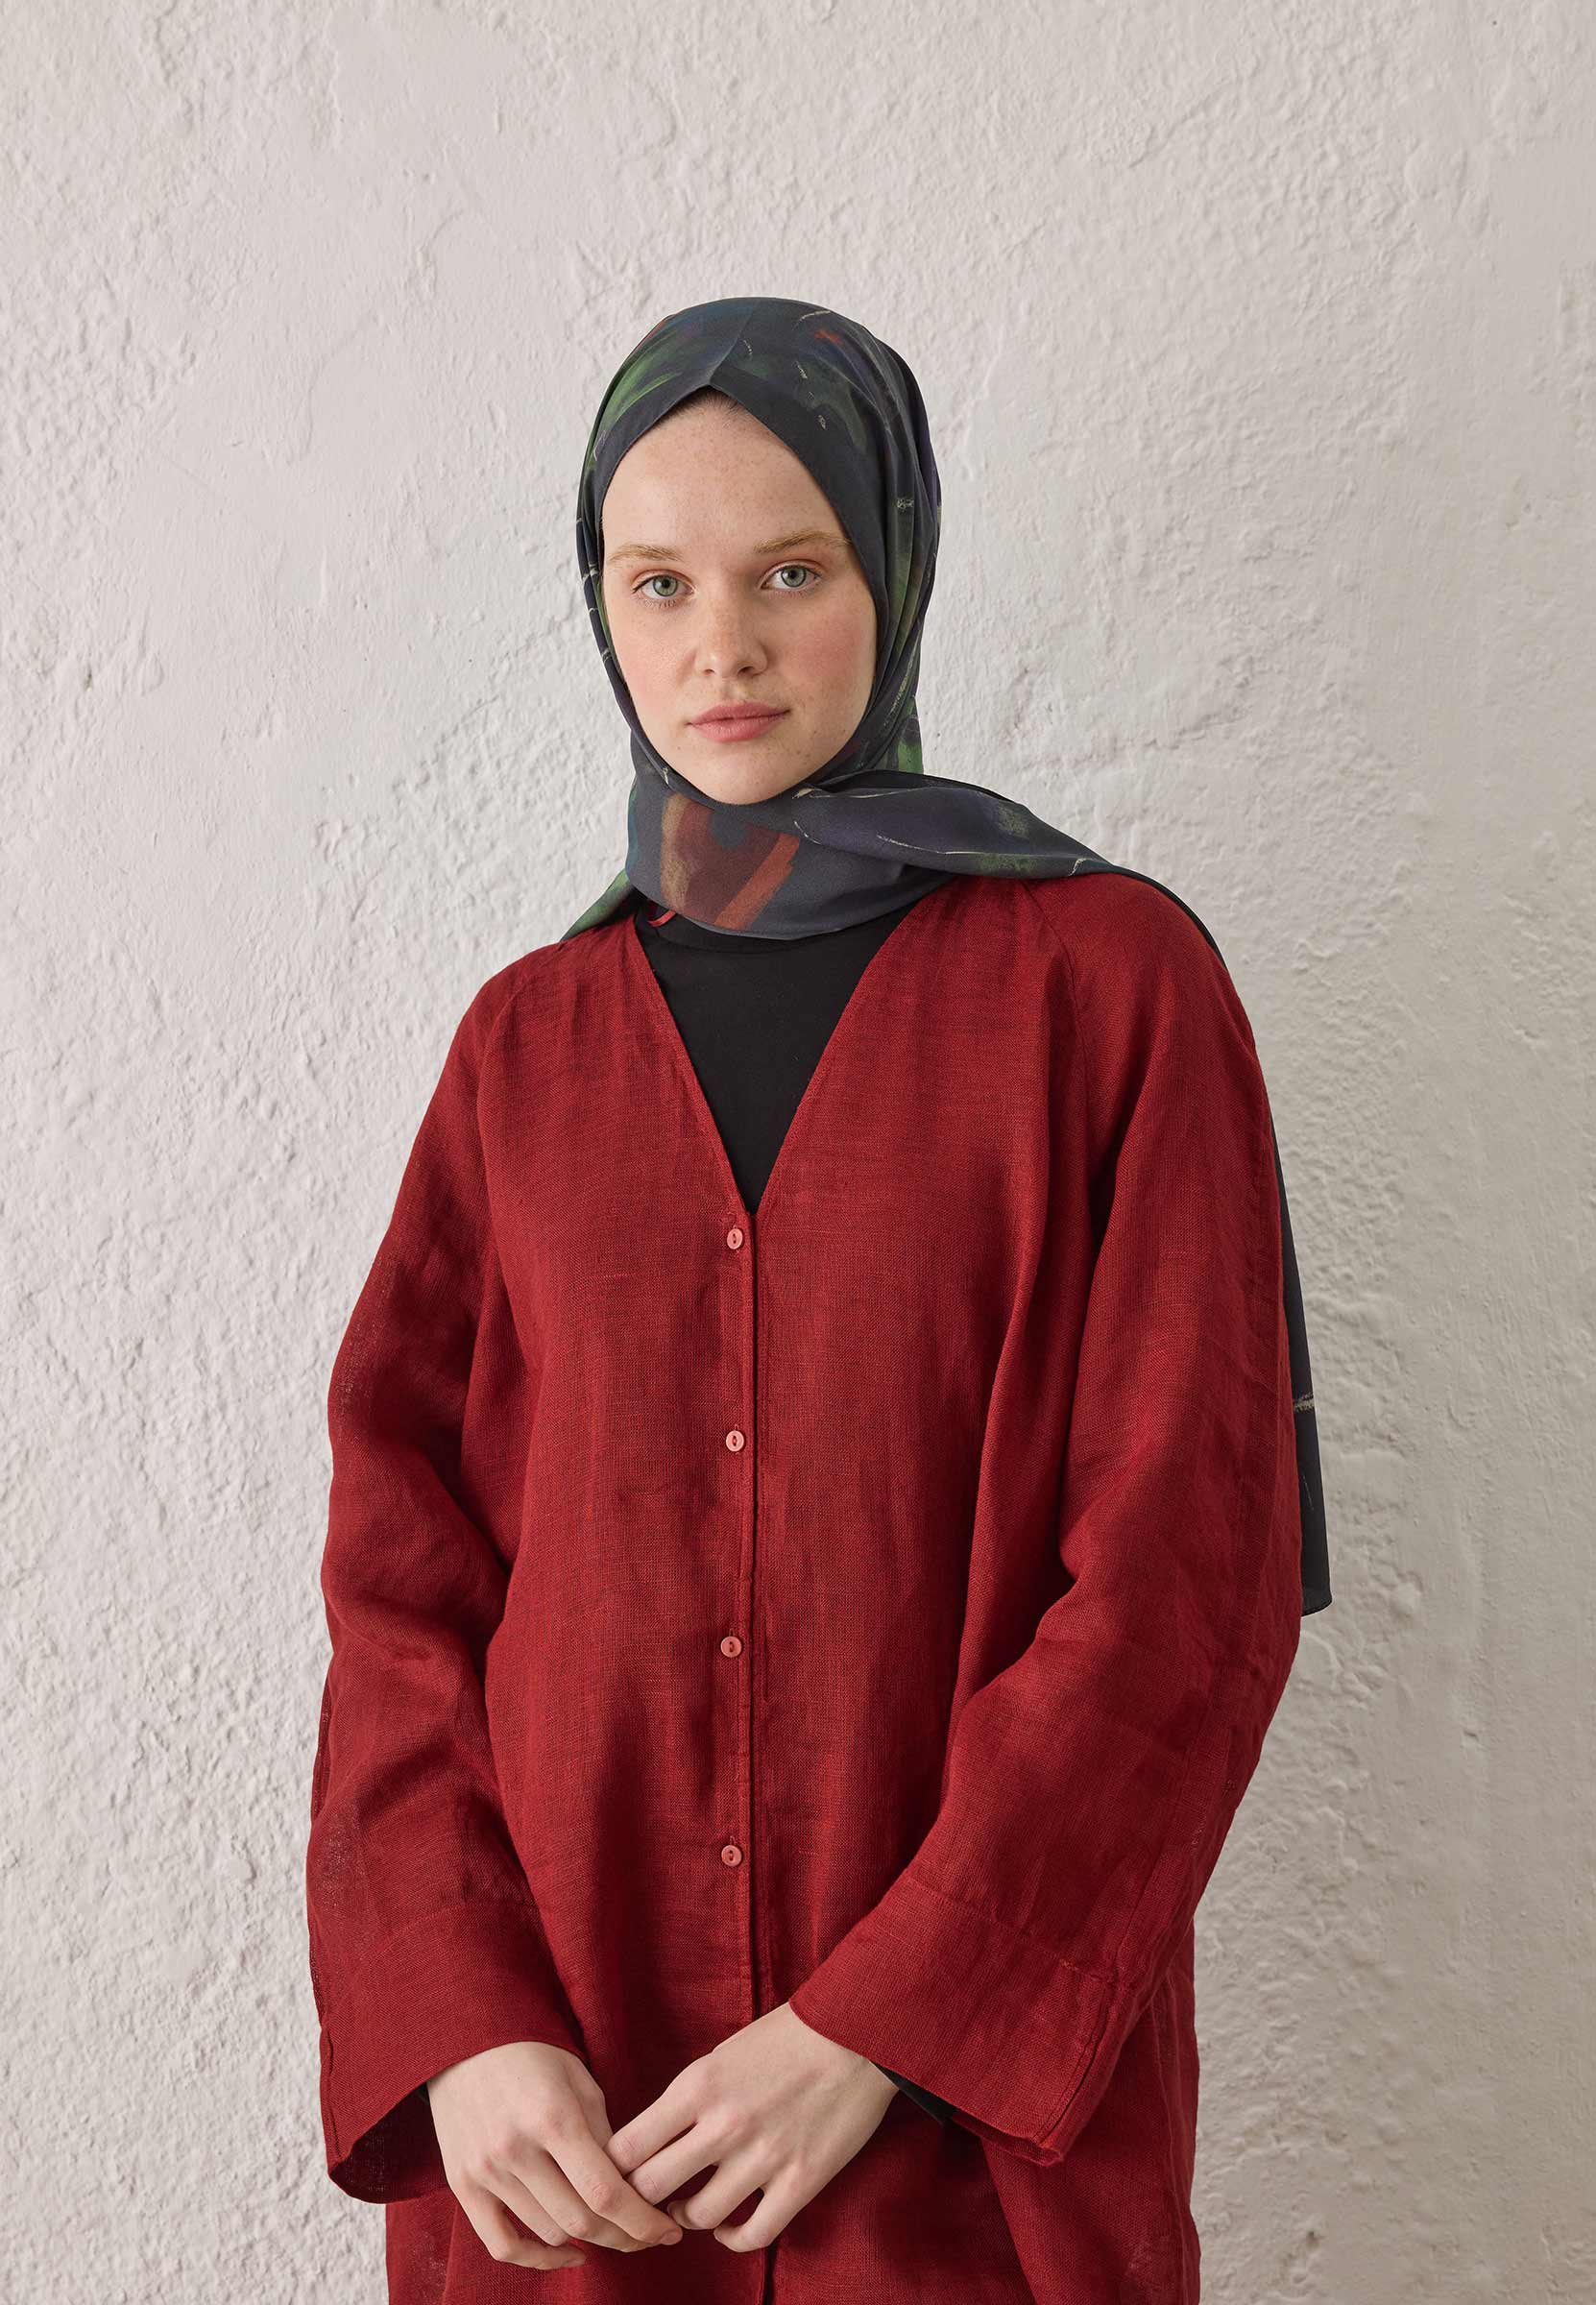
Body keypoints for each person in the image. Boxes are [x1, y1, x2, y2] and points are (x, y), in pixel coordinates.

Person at [305, 295, 1332, 2303]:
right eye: (658, 582)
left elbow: (1187, 1571)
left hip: (965, 2153)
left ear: (895, 569)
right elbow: (399, 1581)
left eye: (792, 570)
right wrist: (459, 2019)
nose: (724, 645)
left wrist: (888, 2018)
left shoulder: (1107, 990)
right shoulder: (525, 1048)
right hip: (567, 2137)